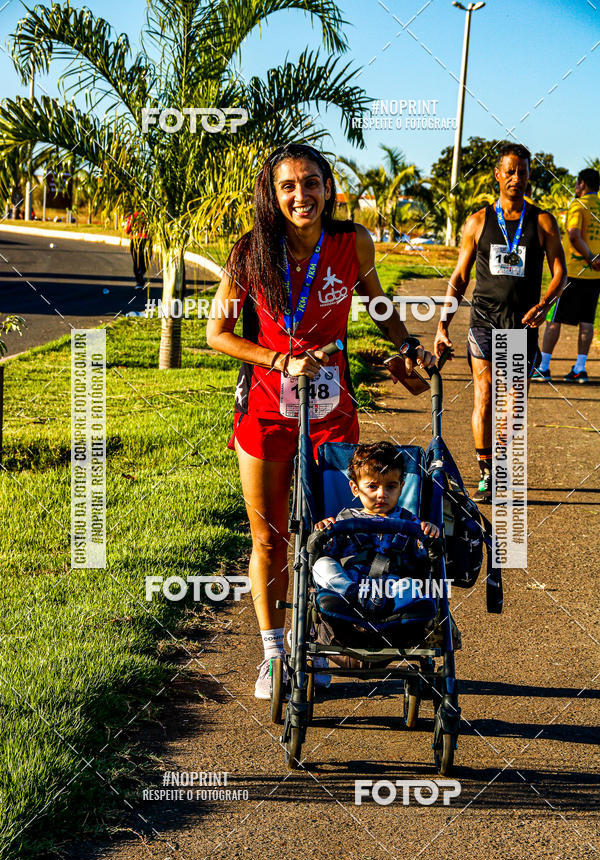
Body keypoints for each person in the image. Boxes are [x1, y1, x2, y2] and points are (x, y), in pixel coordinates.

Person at [206, 142, 433, 699]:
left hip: (332, 412)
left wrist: (408, 346)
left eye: (311, 183)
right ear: (272, 194)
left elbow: (377, 304)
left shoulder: (351, 242)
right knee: (270, 539)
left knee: (332, 533)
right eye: (288, 186)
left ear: (328, 188)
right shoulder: (251, 251)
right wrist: (280, 358)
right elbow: (217, 333)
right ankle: (275, 655)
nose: (301, 195)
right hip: (265, 410)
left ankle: (323, 641)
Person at [433, 143, 567, 503]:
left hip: (522, 324)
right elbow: (459, 277)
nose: (516, 178)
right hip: (483, 322)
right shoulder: (478, 221)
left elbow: (560, 273)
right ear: (497, 174)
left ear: (529, 176)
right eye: (509, 171)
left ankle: (503, 467)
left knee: (512, 404)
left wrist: (544, 303)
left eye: (522, 171)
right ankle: (487, 473)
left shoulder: (542, 221)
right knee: (485, 394)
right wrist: (442, 325)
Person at [312, 442, 439, 618]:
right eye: (372, 486)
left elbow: (423, 559)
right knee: (321, 566)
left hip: (391, 588)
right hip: (351, 583)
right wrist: (325, 532)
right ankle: (350, 598)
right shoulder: (345, 518)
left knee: (413, 585)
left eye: (391, 487)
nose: (381, 494)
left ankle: (394, 606)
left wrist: (428, 533)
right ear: (355, 489)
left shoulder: (410, 520)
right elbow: (329, 553)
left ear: (401, 487)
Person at [534, 168, 600, 383]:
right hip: (594, 275)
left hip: (572, 272)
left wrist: (590, 256)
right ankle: (580, 368)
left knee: (554, 318)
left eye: (576, 183)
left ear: (582, 184)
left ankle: (543, 367)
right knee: (587, 321)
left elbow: (573, 234)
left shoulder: (578, 205)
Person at [124, 211, 148, 288]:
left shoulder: (132, 217)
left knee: (136, 261)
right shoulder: (147, 216)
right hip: (145, 240)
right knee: (144, 260)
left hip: (135, 240)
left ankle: (139, 280)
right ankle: (141, 274)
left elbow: (127, 230)